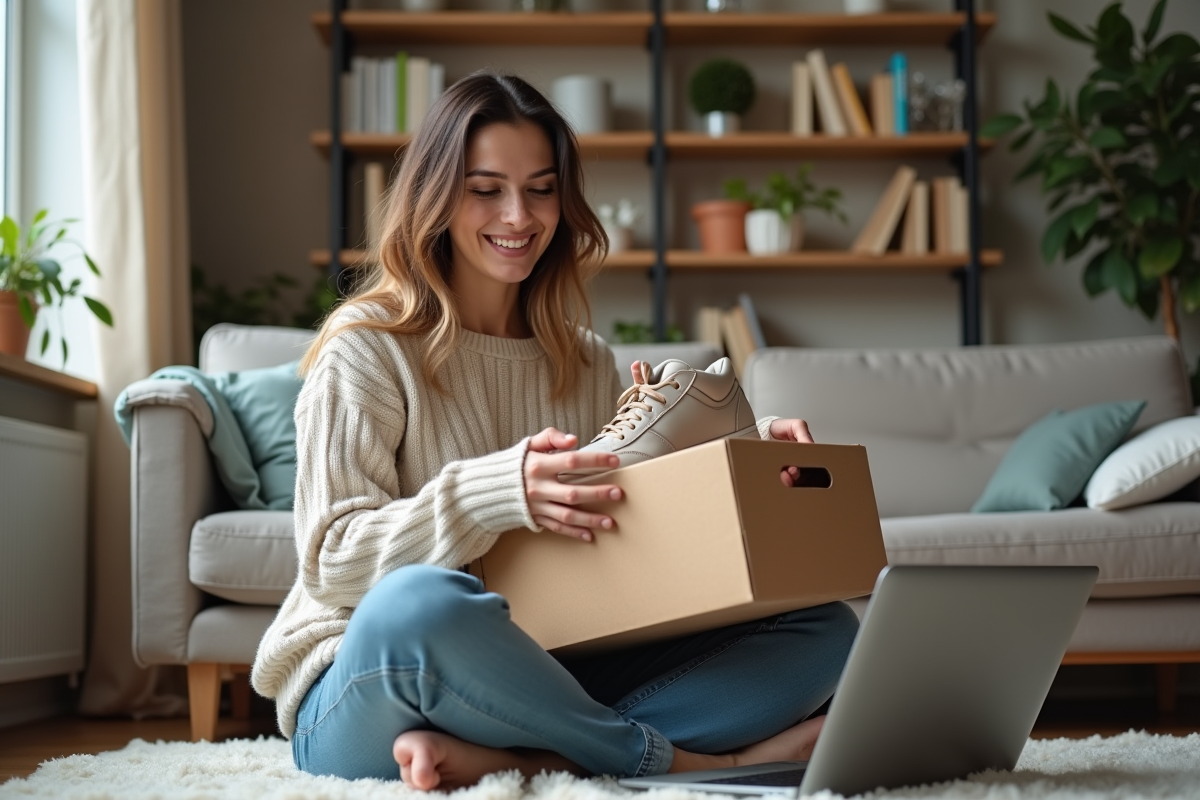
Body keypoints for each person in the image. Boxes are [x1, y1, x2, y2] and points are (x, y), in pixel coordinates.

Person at [250, 70, 859, 791]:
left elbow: (623, 547)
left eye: (541, 189)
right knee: (421, 605)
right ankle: (687, 762)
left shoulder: (584, 359)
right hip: (373, 680)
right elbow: (334, 562)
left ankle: (533, 757)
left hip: (544, 663)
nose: (519, 216)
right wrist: (491, 494)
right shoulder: (367, 347)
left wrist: (743, 462)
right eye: (486, 189)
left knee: (825, 628)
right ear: (436, 196)